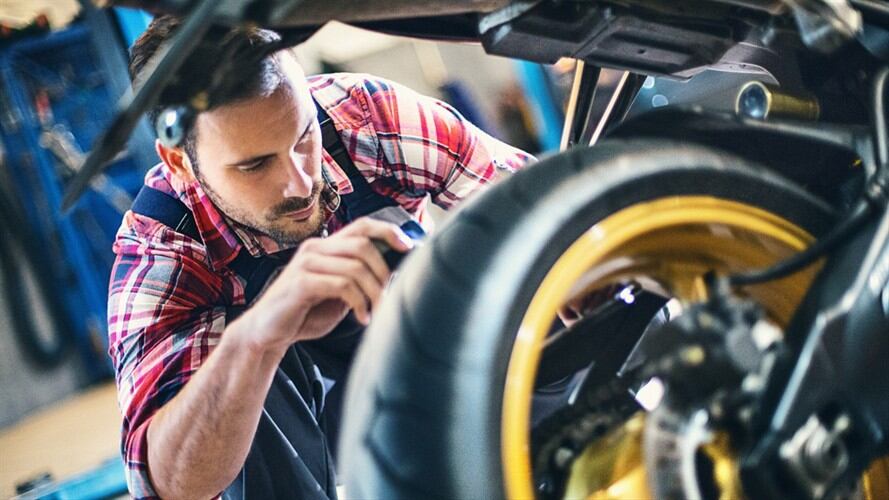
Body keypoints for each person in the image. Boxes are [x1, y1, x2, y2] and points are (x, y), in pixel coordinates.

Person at [107, 15, 533, 500]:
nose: (301, 182)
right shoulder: (162, 250)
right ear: (179, 161)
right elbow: (167, 484)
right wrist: (258, 339)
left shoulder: (369, 117)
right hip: (300, 439)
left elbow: (538, 204)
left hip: (424, 361)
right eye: (255, 165)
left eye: (304, 136)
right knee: (228, 370)